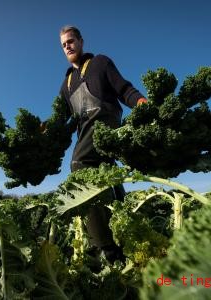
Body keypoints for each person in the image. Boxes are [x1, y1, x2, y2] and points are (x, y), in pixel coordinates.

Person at [58, 25, 148, 263]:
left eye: (71, 41)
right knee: (110, 179)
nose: (67, 46)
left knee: (80, 164)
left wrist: (140, 102)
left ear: (81, 41)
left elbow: (124, 89)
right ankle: (124, 236)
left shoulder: (100, 63)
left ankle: (106, 247)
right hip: (85, 134)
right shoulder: (66, 84)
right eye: (63, 44)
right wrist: (45, 128)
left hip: (107, 126)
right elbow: (60, 117)